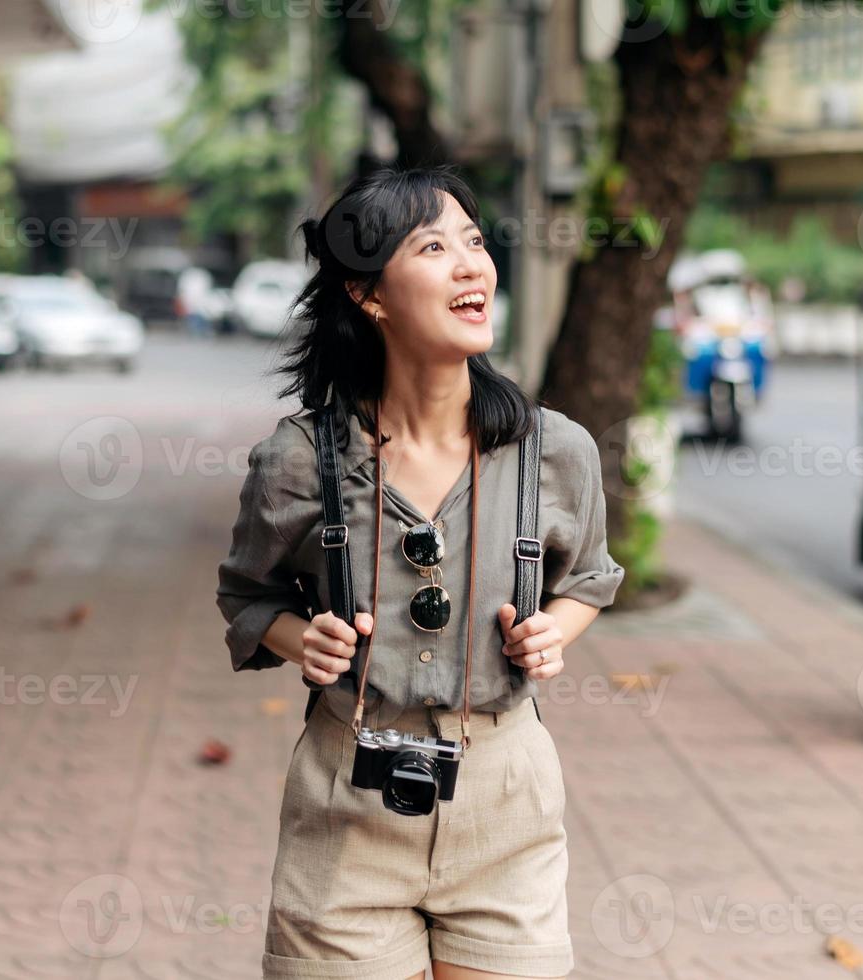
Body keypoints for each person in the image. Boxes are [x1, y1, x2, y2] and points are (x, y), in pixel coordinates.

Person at [215, 164, 626, 980]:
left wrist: (552, 633)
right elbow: (247, 595)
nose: (472, 264)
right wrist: (306, 640)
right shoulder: (299, 461)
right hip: (348, 806)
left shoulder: (556, 451)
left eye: (475, 242)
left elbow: (590, 579)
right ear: (371, 296)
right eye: (435, 246)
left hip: (505, 800)